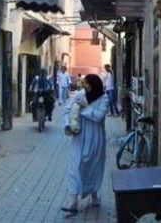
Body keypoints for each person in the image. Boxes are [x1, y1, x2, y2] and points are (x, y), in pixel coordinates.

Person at [61, 74, 108, 217]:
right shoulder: (80, 95)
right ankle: (72, 201)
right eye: (85, 82)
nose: (85, 85)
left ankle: (94, 194)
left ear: (95, 84)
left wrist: (84, 109)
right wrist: (68, 125)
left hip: (95, 137)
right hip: (79, 136)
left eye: (88, 83)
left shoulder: (103, 98)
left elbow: (99, 116)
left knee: (93, 166)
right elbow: (67, 109)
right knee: (74, 166)